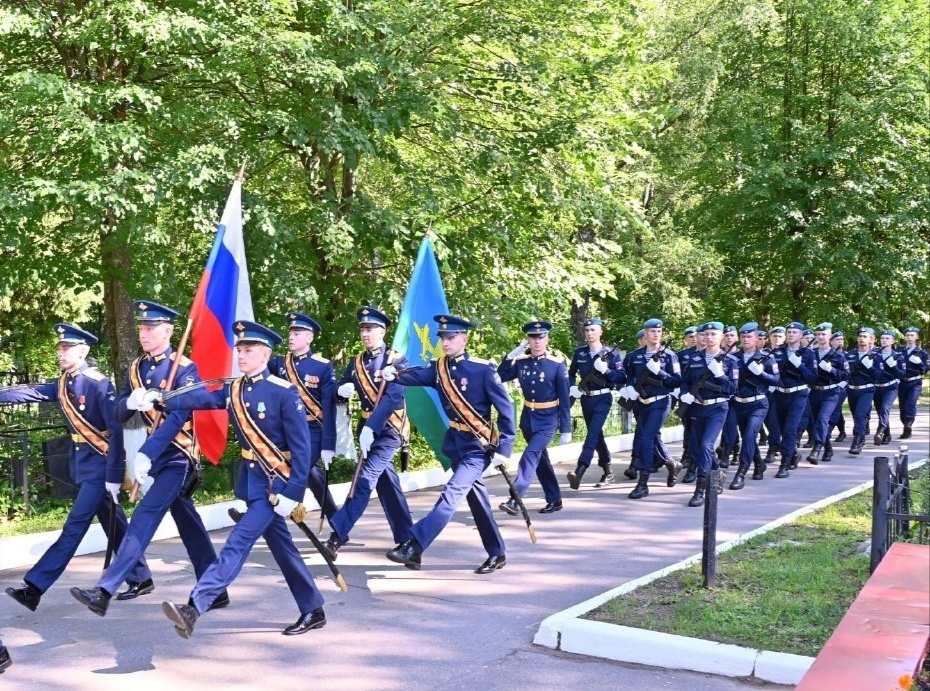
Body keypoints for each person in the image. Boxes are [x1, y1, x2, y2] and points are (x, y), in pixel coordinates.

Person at [148, 321, 326, 637]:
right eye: (240, 349)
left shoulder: (284, 393)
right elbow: (202, 400)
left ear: (266, 353)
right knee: (283, 549)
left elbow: (302, 448)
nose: (241, 355)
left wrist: (294, 491)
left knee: (237, 542)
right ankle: (313, 608)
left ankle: (194, 607)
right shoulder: (234, 388)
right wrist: (164, 400)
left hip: (275, 487)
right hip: (252, 482)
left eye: (249, 350)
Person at [70, 301, 221, 617]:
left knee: (143, 517)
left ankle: (105, 590)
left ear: (168, 331)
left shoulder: (184, 368)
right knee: (188, 521)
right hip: (148, 456)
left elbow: (178, 417)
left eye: (151, 328)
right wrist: (133, 402)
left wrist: (148, 454)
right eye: (141, 327)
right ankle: (215, 588)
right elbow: (117, 411)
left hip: (176, 456)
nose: (144, 333)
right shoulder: (135, 368)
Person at [2, 324, 151, 612]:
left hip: (100, 467)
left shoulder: (97, 383)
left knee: (73, 527)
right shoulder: (61, 383)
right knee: (114, 523)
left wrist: (115, 473)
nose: (61, 352)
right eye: (59, 347)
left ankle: (34, 588)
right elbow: (30, 392)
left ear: (83, 351)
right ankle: (141, 576)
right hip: (83, 465)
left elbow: (115, 429)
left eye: (66, 347)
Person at [382, 314, 516, 573]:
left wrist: (505, 447)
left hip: (478, 447)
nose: (446, 342)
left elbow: (506, 407)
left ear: (464, 339)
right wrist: (394, 373)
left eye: (451, 337)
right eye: (443, 337)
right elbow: (416, 376)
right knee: (478, 501)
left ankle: (415, 545)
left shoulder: (482, 369)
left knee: (450, 495)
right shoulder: (439, 367)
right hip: (456, 443)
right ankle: (497, 552)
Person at [322, 307, 414, 560]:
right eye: (362, 329)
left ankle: (336, 536)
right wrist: (343, 390)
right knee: (387, 484)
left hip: (389, 430)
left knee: (364, 480)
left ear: (382, 332)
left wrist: (372, 427)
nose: (365, 333)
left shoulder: (397, 360)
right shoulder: (356, 362)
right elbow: (339, 386)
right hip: (365, 429)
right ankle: (408, 539)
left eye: (370, 329)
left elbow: (393, 397)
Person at [268, 312, 337, 521]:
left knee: (294, 469)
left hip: (312, 431)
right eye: (291, 332)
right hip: (286, 430)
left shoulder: (322, 366)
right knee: (310, 475)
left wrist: (328, 444)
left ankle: (266, 510)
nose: (291, 336)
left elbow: (328, 405)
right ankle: (338, 521)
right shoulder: (279, 363)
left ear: (309, 338)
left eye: (297, 333)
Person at [497, 320, 571, 514]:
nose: (537, 341)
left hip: (548, 418)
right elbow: (500, 375)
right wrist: (511, 356)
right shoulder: (522, 362)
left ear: (547, 339)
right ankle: (555, 499)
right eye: (532, 337)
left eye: (541, 337)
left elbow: (564, 399)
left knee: (530, 455)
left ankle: (515, 498)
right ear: (528, 340)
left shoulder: (556, 365)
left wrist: (566, 428)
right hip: (529, 417)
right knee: (541, 460)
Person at [618, 318, 682, 500]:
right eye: (652, 331)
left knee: (645, 438)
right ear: (645, 334)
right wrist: (628, 387)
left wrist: (659, 372)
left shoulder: (669, 356)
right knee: (652, 437)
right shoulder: (634, 356)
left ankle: (642, 483)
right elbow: (627, 376)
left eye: (659, 331)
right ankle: (671, 464)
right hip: (640, 403)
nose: (655, 334)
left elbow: (676, 381)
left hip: (660, 402)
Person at [678, 322, 737, 506]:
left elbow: (732, 389)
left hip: (717, 408)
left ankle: (700, 489)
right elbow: (685, 382)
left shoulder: (731, 361)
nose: (709, 337)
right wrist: (684, 394)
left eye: (713, 334)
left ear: (721, 337)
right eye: (706, 334)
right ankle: (717, 471)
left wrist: (721, 376)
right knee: (697, 449)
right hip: (697, 407)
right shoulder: (695, 358)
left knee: (705, 445)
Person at [566, 317, 625, 489]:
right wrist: (572, 387)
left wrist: (605, 370)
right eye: (587, 330)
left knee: (592, 434)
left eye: (593, 330)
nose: (590, 333)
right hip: (586, 398)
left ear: (600, 332)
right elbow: (570, 373)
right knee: (596, 435)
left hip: (603, 398)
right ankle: (608, 471)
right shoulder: (580, 353)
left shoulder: (612, 354)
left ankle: (580, 469)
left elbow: (621, 377)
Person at [729, 323, 780, 488]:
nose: (745, 339)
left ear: (757, 339)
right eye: (743, 336)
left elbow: (776, 380)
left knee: (750, 435)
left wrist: (761, 373)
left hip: (758, 403)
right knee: (747, 437)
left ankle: (741, 473)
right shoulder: (733, 358)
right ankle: (759, 464)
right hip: (738, 404)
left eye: (749, 336)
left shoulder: (766, 358)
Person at [771, 322, 817, 478]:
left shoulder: (808, 354)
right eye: (789, 332)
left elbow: (813, 377)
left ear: (801, 335)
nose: (791, 334)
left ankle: (784, 463)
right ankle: (794, 452)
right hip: (779, 394)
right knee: (783, 430)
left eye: (794, 332)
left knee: (790, 429)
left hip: (798, 394)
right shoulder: (777, 352)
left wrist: (800, 366)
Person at [805, 323, 849, 465]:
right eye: (818, 334)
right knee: (816, 421)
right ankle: (828, 449)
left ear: (830, 336)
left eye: (824, 334)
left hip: (831, 392)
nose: (821, 337)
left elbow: (846, 375)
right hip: (814, 391)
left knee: (823, 419)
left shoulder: (838, 355)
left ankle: (816, 449)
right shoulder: (811, 354)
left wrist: (831, 370)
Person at [845, 327, 882, 455]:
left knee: (860, 415)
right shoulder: (850, 355)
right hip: (852, 390)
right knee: (857, 416)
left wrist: (870, 366)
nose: (862, 338)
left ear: (871, 339)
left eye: (865, 336)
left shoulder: (876, 356)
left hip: (867, 389)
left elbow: (879, 375)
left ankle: (857, 441)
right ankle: (862, 436)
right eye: (860, 336)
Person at [872, 330, 905, 445]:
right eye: (882, 338)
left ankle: (880, 431)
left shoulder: (897, 356)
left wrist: (894, 367)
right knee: (880, 411)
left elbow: (902, 374)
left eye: (887, 338)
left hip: (891, 387)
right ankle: (887, 434)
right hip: (877, 387)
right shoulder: (875, 355)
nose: (884, 340)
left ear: (893, 341)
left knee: (884, 408)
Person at [897, 327, 928, 440]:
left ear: (917, 337)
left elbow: (925, 369)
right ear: (905, 337)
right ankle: (905, 424)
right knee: (903, 406)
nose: (909, 337)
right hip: (901, 382)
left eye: (912, 335)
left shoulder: (922, 353)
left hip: (915, 382)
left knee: (911, 403)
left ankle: (908, 424)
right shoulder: (899, 351)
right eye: (908, 335)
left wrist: (920, 363)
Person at [828, 332, 849, 442]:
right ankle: (842, 431)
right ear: (831, 342)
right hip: (830, 386)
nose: (840, 341)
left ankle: (828, 431)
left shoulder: (848, 355)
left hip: (843, 386)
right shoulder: (829, 355)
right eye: (837, 339)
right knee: (837, 409)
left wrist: (845, 382)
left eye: (841, 339)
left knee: (835, 408)